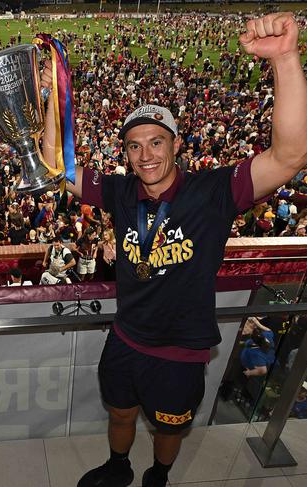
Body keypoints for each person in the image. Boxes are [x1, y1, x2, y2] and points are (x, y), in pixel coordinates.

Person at [41, 12, 307, 487]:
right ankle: (119, 465)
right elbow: (55, 166)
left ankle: (159, 474)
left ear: (177, 144)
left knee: (168, 428)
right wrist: (51, 97)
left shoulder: (213, 190)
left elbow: (290, 156)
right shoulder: (121, 192)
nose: (146, 156)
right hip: (125, 337)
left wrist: (285, 58)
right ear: (124, 153)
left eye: (156, 142)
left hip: (181, 349)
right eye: (135, 146)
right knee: (120, 414)